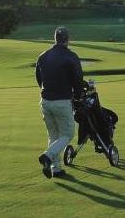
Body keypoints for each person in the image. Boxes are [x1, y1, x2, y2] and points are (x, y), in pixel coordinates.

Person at [35, 26, 85, 179]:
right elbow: (78, 80)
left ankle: (55, 169)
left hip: (45, 101)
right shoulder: (71, 57)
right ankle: (48, 155)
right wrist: (77, 97)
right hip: (62, 101)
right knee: (68, 134)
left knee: (53, 135)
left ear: (55, 38)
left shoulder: (43, 56)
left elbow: (39, 78)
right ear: (67, 40)